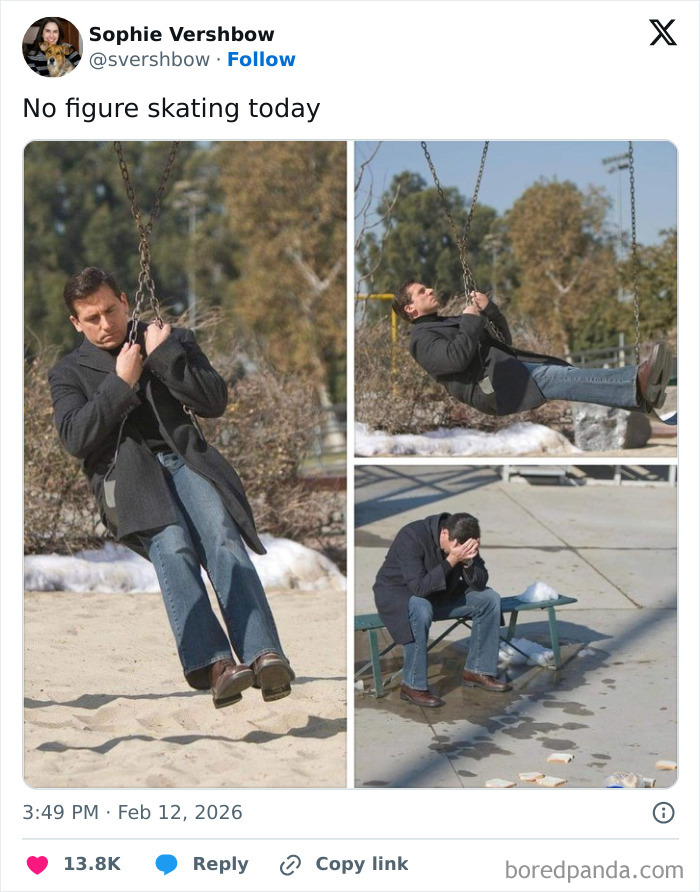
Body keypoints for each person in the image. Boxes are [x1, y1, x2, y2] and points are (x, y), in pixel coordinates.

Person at [48, 267, 294, 709]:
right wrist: (120, 381)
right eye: (91, 318)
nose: (105, 325)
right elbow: (74, 438)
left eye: (110, 310)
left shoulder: (166, 337)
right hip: (128, 481)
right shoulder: (69, 372)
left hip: (186, 460)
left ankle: (264, 654)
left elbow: (213, 401)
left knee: (221, 538)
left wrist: (164, 357)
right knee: (174, 547)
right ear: (76, 323)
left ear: (125, 300)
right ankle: (217, 666)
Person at [392, 282, 672, 417]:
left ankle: (642, 399)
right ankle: (638, 380)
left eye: (427, 287)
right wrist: (469, 319)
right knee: (554, 377)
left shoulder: (445, 322)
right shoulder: (421, 340)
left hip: (509, 373)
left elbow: (504, 340)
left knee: (567, 374)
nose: (429, 290)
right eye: (421, 292)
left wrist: (489, 311)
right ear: (410, 308)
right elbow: (455, 358)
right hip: (492, 388)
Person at [373, 512, 510, 708]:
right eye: (457, 548)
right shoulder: (411, 535)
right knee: (421, 608)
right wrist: (452, 560)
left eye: (467, 548)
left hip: (442, 594)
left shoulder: (463, 540)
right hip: (401, 595)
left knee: (489, 599)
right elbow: (419, 588)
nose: (461, 551)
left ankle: (478, 670)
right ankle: (413, 685)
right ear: (444, 533)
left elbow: (480, 583)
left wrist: (469, 561)